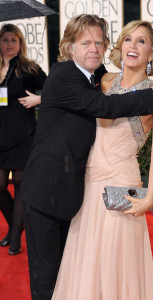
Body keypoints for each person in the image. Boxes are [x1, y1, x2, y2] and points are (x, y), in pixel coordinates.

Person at [20, 14, 153, 300]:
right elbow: (105, 105)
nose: (133, 45)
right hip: (78, 191)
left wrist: (151, 195)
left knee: (114, 267)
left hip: (120, 187)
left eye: (142, 41)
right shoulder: (100, 80)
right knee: (77, 271)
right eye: (128, 38)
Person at [0, 24, 47, 256]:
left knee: (19, 187)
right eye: (5, 39)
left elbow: (53, 90)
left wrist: (38, 100)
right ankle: (16, 227)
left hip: (23, 136)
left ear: (20, 44)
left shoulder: (29, 68)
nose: (9, 44)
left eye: (14, 40)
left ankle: (15, 236)